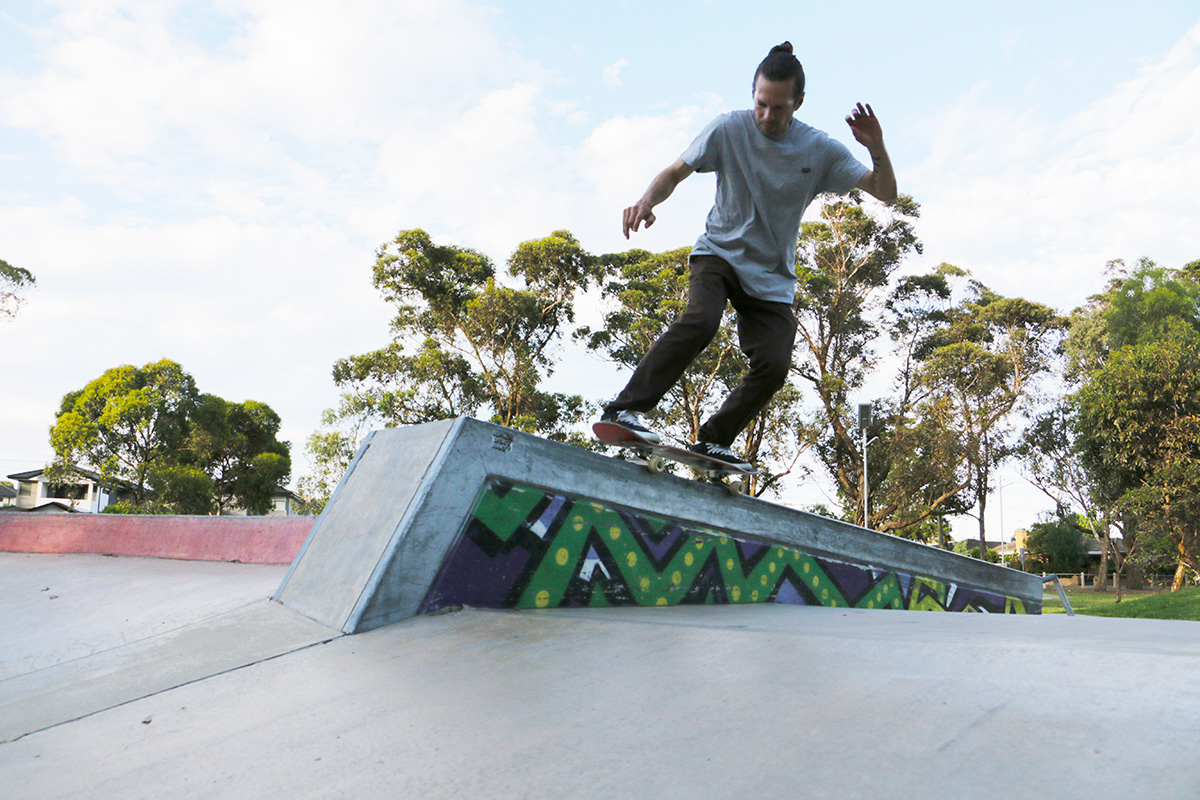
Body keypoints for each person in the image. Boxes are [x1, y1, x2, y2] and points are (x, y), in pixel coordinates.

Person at [598, 41, 898, 469]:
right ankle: (624, 409)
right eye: (760, 104)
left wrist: (877, 146)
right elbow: (674, 173)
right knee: (701, 320)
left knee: (774, 366)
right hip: (718, 254)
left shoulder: (821, 150)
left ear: (799, 103)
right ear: (753, 95)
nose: (766, 117)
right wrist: (647, 200)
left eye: (778, 108)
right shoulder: (728, 129)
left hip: (772, 275)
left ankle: (715, 439)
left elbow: (886, 193)